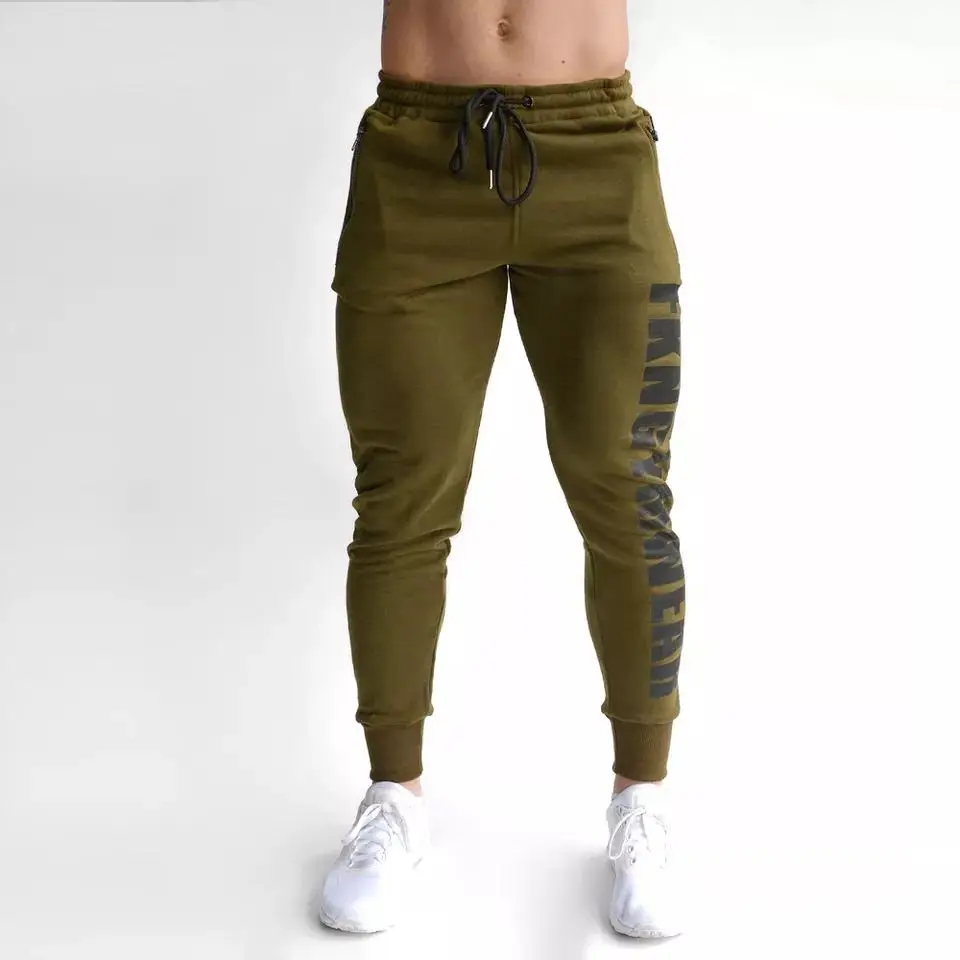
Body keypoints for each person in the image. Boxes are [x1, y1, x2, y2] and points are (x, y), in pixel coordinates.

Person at [318, 0, 686, 939]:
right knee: (400, 498)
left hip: (597, 152)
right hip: (416, 151)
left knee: (627, 490)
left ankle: (641, 800)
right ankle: (393, 798)